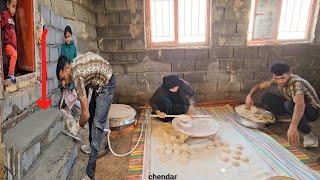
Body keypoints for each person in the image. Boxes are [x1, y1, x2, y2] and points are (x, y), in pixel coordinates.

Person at [56, 52, 115, 180]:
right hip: (98, 83)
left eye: (63, 78)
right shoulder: (75, 65)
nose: (64, 83)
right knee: (92, 112)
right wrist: (86, 105)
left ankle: (90, 174)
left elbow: (85, 114)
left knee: (97, 126)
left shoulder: (76, 75)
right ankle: (92, 145)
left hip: (107, 83)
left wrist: (77, 126)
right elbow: (87, 85)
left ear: (67, 68)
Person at [246, 62, 320, 148]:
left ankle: (309, 135)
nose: (280, 81)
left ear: (289, 74)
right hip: (293, 104)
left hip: (312, 111)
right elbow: (259, 86)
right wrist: (249, 95)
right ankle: (280, 119)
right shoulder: (276, 80)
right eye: (276, 78)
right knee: (266, 97)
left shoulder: (296, 83)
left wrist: (293, 127)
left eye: (282, 78)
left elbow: (300, 104)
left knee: (290, 104)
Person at [59, 26, 79, 112]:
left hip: (71, 73)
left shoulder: (74, 47)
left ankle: (68, 107)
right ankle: (65, 108)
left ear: (71, 36)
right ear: (64, 37)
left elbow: (75, 60)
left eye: (69, 36)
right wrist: (62, 79)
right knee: (65, 91)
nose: (67, 39)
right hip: (65, 73)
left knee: (73, 93)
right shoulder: (63, 47)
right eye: (66, 37)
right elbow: (61, 61)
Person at [1, 0, 17, 83]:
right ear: (7, 5)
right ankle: (11, 74)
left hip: (12, 44)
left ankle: (9, 74)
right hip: (8, 43)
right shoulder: (5, 15)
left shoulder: (12, 19)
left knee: (12, 58)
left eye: (15, 7)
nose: (14, 9)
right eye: (13, 6)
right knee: (14, 55)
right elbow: (2, 24)